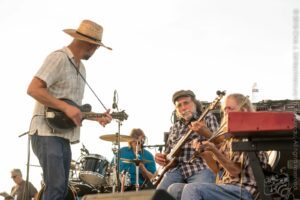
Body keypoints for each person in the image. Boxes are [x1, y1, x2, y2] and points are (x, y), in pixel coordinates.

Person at [27, 19, 112, 200]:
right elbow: (33, 89)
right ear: (89, 44)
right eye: (96, 46)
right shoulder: (58, 57)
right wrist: (65, 107)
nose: (96, 51)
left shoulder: (81, 67)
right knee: (56, 187)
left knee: (62, 191)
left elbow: (72, 109)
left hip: (63, 136)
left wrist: (95, 117)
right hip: (45, 133)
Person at [181, 93, 269, 200]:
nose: (226, 112)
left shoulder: (249, 136)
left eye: (230, 108)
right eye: (224, 109)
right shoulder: (229, 137)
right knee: (174, 189)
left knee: (193, 189)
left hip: (244, 191)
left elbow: (235, 171)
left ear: (244, 110)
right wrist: (204, 154)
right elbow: (217, 170)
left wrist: (215, 150)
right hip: (226, 187)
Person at [154, 90, 219, 200]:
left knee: (198, 194)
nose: (183, 108)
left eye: (186, 103)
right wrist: (162, 157)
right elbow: (169, 152)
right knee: (158, 196)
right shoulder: (174, 127)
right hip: (176, 170)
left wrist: (205, 132)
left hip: (200, 167)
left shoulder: (207, 117)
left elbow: (219, 143)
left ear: (195, 104)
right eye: (179, 105)